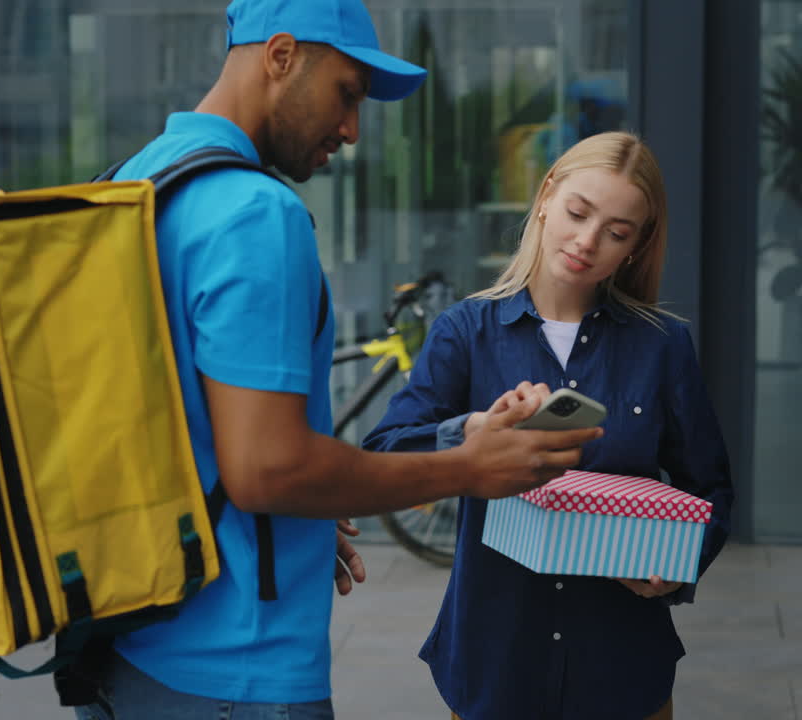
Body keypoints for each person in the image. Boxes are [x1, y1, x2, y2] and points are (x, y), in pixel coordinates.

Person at [73, 1, 603, 718]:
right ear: (282, 56)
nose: (352, 131)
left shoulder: (138, 177)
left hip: (125, 651)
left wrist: (311, 515)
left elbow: (176, 419)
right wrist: (466, 469)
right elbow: (268, 469)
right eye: (347, 94)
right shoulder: (257, 214)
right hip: (236, 674)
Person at [363, 131, 735, 720]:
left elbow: (710, 489)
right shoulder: (466, 332)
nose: (587, 242)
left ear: (635, 247)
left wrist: (676, 570)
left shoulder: (662, 346)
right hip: (495, 660)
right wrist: (473, 433)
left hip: (622, 664)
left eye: (616, 232)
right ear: (545, 197)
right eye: (577, 212)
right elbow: (383, 453)